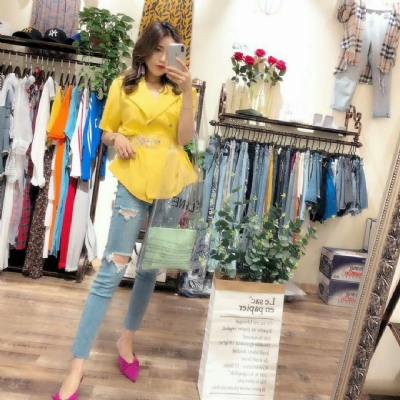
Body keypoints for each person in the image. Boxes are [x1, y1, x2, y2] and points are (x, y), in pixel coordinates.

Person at [53, 21, 197, 400]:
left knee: (151, 268)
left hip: (172, 183)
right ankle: (77, 365)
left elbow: (183, 139)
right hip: (133, 180)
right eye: (157, 50)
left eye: (170, 51)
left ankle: (126, 339)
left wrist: (188, 93)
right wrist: (117, 137)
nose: (163, 59)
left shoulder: (181, 90)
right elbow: (105, 132)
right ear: (144, 50)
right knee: (110, 272)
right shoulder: (124, 85)